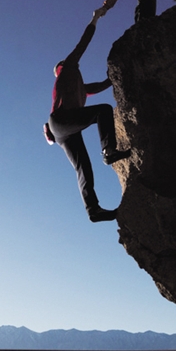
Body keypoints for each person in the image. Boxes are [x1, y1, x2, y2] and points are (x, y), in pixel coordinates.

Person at [44, 12, 131, 222]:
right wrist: (94, 20)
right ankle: (109, 151)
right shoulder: (67, 70)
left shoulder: (81, 88)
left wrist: (119, 72)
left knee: (83, 167)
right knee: (102, 110)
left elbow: (102, 84)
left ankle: (93, 210)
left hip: (63, 130)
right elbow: (83, 44)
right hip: (62, 120)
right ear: (60, 69)